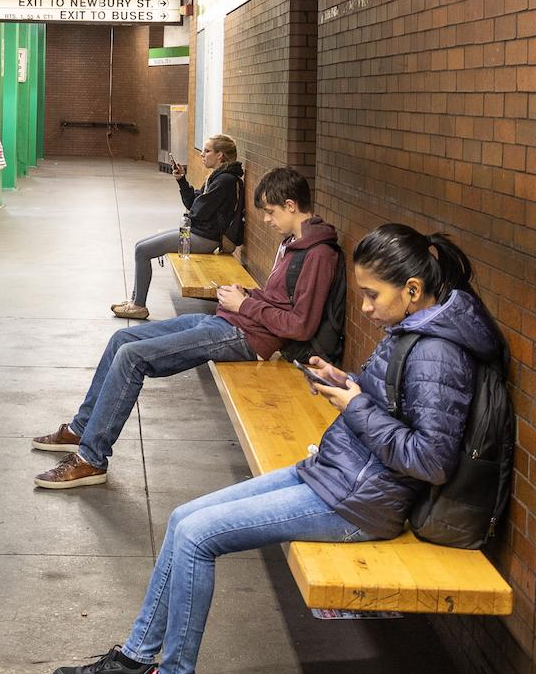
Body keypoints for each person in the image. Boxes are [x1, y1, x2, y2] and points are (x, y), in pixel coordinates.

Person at [49, 224, 503, 674]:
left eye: (374, 295)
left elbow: (430, 459)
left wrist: (355, 406)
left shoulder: (440, 352)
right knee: (183, 519)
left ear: (413, 290)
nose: (367, 308)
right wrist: (348, 383)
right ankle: (137, 658)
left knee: (198, 537)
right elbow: (399, 410)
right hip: (337, 474)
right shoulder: (418, 331)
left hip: (358, 503)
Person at [31, 166, 340, 489]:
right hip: (231, 321)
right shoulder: (295, 243)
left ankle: (91, 458)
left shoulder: (318, 255)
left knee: (132, 357)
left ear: (292, 206)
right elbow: (279, 301)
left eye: (271, 212)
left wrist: (246, 305)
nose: (265, 220)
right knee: (122, 337)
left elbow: (300, 326)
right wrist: (245, 296)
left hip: (246, 338)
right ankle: (83, 427)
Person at [110, 134, 245, 320]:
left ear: (220, 155)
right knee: (140, 245)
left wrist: (194, 208)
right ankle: (134, 300)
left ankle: (138, 306)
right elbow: (193, 203)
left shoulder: (226, 181)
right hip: (196, 232)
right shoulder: (217, 177)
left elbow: (198, 211)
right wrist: (182, 180)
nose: (202, 155)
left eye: (207, 151)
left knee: (142, 250)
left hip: (204, 239)